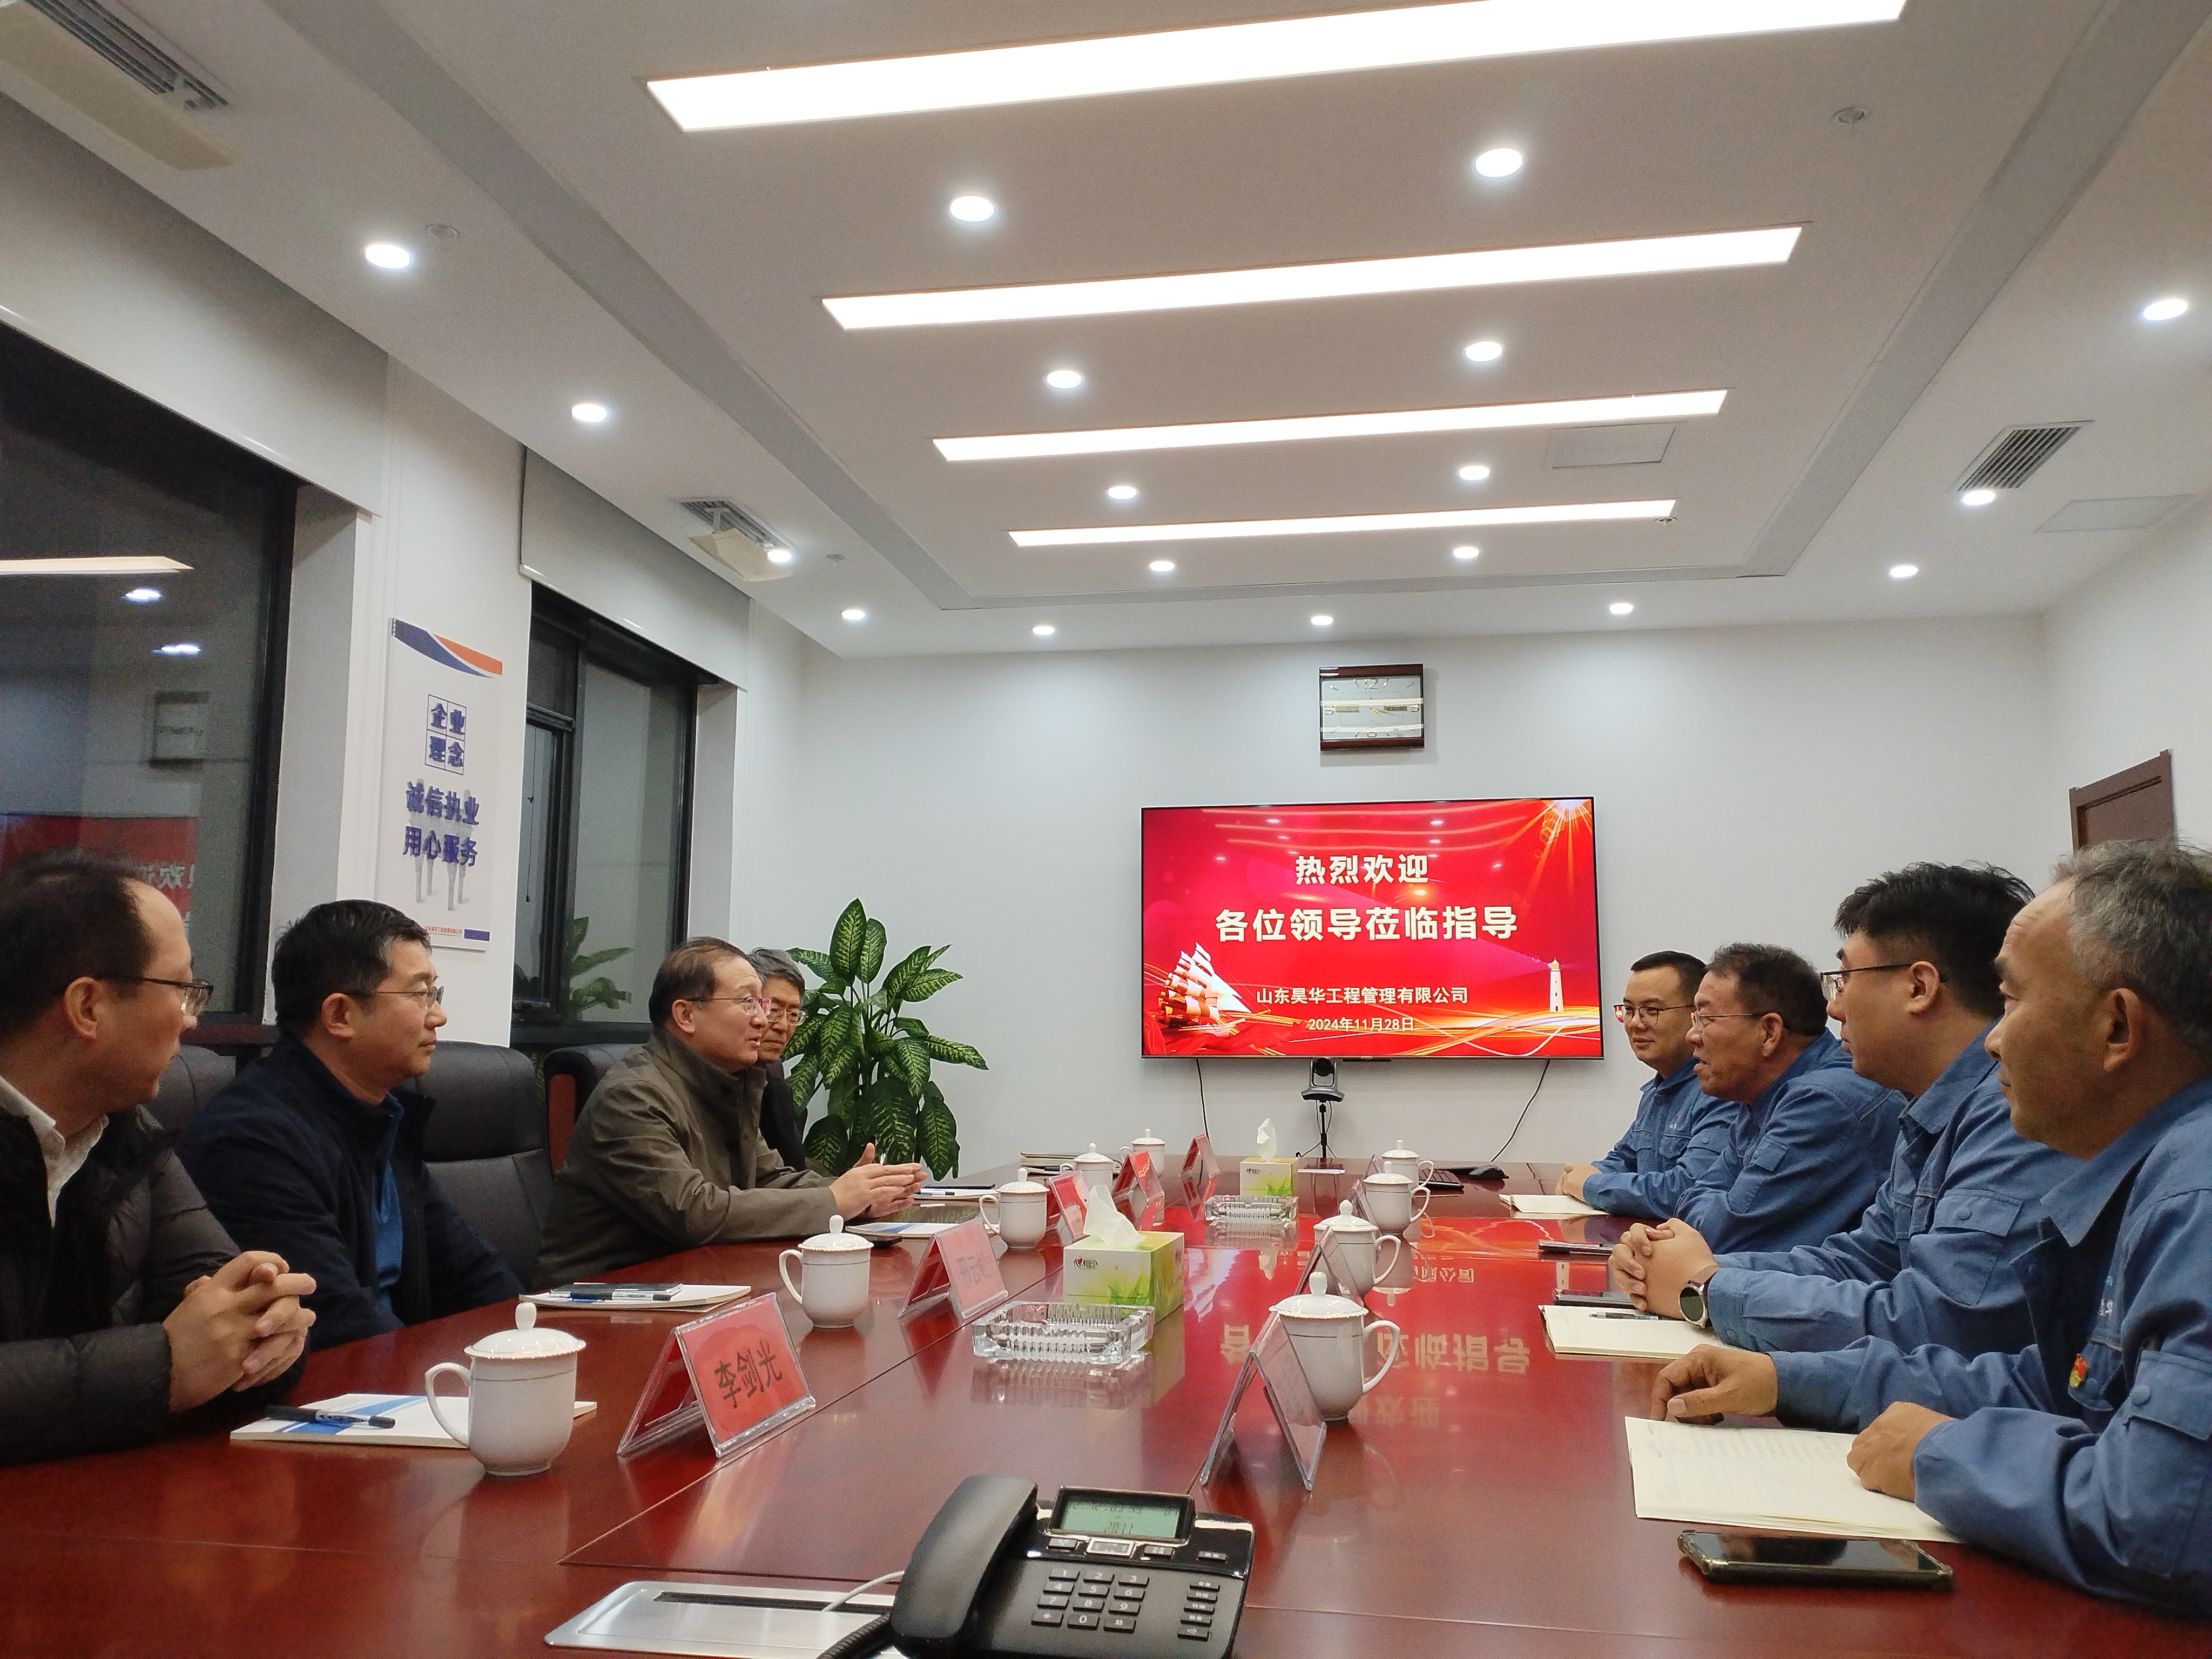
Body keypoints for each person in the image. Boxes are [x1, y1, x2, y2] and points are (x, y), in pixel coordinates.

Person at [1648, 841, 2212, 1616]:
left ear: (2117, 1027)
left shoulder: (2194, 1194)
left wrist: (1941, 1454)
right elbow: (2065, 1386)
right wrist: (1792, 1380)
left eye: (2013, 1002)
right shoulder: (2149, 1167)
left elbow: (2162, 1525)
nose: (1994, 1038)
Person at [1613, 865, 2076, 1355]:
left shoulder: (2010, 1114)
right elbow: (1865, 1260)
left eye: (1844, 980)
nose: (1833, 1010)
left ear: (1919, 987)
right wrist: (1692, 1273)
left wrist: (1706, 1287)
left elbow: (1938, 1323)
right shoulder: (1926, 1113)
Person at [0, 851, 315, 1464]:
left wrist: (270, 1329)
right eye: (183, 990)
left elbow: (229, 1307)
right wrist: (165, 1366)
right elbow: (182, 1359)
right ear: (88, 1006)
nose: (192, 1021)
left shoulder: (125, 1134)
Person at [179, 901, 522, 1350]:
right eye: (420, 994)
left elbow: (470, 1271)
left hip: (397, 1369)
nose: (438, 1016)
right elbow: (334, 1321)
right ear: (340, 1015)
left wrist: (533, 1340)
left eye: (435, 994)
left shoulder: (382, 1115)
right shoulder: (251, 1141)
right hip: (342, 1382)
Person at [537, 938, 925, 1283]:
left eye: (762, 1003)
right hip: (596, 1301)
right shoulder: (632, 1097)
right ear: (686, 1015)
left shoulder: (726, 1082)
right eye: (747, 1003)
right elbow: (695, 1212)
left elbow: (769, 1179)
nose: (762, 1019)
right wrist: (834, 1201)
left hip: (692, 1280)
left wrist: (860, 1195)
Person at [1656, 943, 1903, 1253]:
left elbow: (1722, 1237)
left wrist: (1701, 1210)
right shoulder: (1760, 1097)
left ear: (1769, 1032)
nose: (1692, 1036)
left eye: (1706, 1018)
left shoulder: (1821, 1102)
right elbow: (1695, 1197)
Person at [1557, 951, 1733, 1217]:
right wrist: (1584, 1176)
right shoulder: (1656, 1091)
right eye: (1629, 1010)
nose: (1635, 1024)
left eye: (1651, 1011)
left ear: (1696, 1015)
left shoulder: (1721, 1090)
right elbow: (1624, 1160)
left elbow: (1687, 1189)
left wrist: (1590, 1184)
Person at [747, 947, 811, 1172]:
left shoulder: (774, 1074)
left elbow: (792, 1170)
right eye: (773, 1010)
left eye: (793, 1015)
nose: (784, 1026)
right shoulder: (715, 1077)